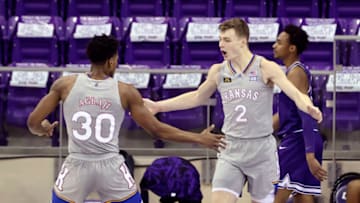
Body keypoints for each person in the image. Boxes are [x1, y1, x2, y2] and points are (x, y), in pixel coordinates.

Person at [27, 34, 226, 203]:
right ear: (111, 61)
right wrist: (199, 138)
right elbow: (157, 130)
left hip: (77, 162)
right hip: (110, 165)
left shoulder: (65, 85)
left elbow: (32, 123)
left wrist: (43, 128)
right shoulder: (125, 91)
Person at [143, 18, 323, 203]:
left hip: (261, 150)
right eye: (220, 40)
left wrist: (308, 107)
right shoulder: (218, 70)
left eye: (227, 40)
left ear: (243, 41)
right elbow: (198, 97)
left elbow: (294, 93)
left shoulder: (265, 67)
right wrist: (158, 106)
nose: (221, 44)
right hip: (231, 149)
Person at [271, 24, 328, 203]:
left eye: (279, 42)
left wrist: (309, 154)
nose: (274, 45)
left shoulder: (296, 73)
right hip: (300, 139)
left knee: (279, 196)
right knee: (302, 194)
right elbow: (283, 116)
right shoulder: (292, 72)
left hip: (299, 141)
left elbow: (306, 113)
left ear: (292, 48)